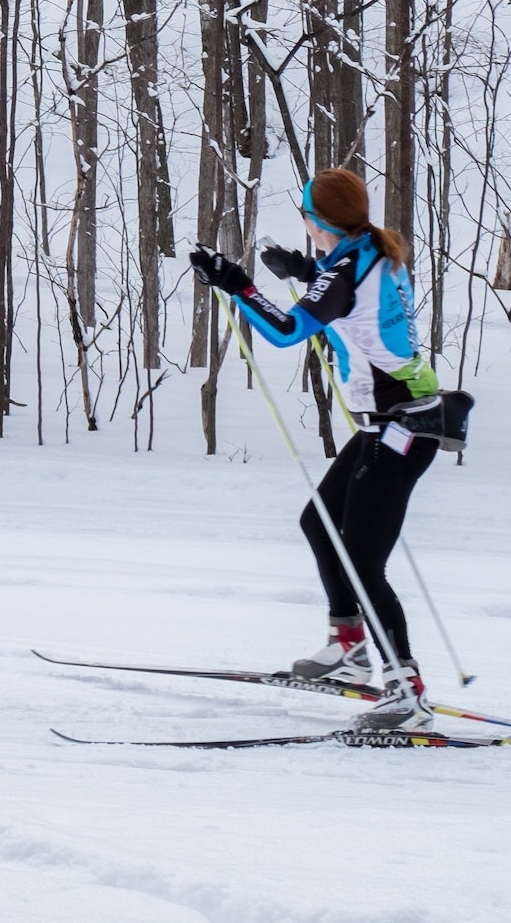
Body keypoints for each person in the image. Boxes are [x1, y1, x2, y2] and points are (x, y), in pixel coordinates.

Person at [189, 167, 472, 732]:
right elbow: (343, 286)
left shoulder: (345, 266)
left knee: (364, 562)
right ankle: (350, 647)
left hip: (402, 427)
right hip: (388, 423)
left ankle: (405, 689)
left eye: (306, 219)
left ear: (317, 221)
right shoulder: (371, 247)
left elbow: (288, 330)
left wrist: (237, 285)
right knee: (320, 523)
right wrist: (302, 268)